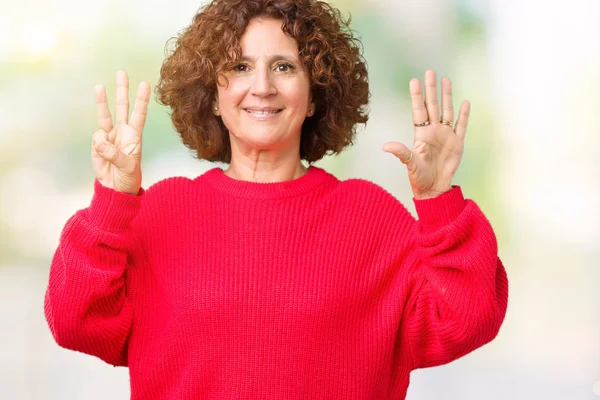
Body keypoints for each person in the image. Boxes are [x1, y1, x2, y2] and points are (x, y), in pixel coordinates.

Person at [43, 0, 509, 399]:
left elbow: (468, 320)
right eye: (240, 67)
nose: (262, 86)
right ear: (213, 95)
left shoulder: (370, 218)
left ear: (313, 94)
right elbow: (74, 321)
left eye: (284, 67)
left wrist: (438, 200)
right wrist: (110, 203)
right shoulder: (158, 213)